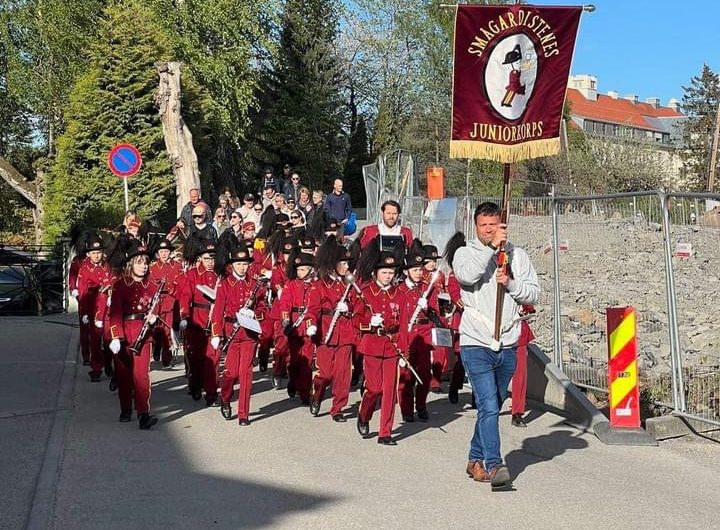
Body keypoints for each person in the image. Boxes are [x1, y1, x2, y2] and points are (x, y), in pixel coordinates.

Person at [454, 201, 539, 489]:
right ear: (476, 227)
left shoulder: (518, 255)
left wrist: (511, 283)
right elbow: (468, 276)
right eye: (483, 225)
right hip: (476, 342)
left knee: (494, 403)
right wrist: (492, 250)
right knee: (488, 404)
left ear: (502, 224)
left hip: (508, 342)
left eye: (493, 224)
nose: (489, 229)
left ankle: (474, 458)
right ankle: (494, 464)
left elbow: (533, 294)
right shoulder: (465, 253)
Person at [210, 246, 268, 426]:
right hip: (231, 332)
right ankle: (225, 397)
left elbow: (263, 308)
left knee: (246, 373)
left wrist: (255, 315)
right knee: (231, 373)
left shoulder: (255, 284)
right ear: (232, 265)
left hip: (249, 333)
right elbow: (217, 312)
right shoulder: (225, 284)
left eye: (245, 264)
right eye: (239, 264)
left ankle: (244, 413)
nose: (243, 267)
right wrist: (216, 333)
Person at [107, 239, 160, 429]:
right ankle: (125, 408)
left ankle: (143, 413)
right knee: (123, 374)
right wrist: (116, 336)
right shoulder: (121, 285)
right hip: (124, 332)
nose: (143, 266)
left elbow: (156, 306)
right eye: (139, 262)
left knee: (141, 375)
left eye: (145, 262)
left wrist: (154, 316)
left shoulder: (153, 285)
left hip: (144, 334)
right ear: (130, 264)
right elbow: (114, 313)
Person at [307, 240, 358, 422]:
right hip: (326, 331)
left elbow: (359, 306)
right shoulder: (319, 285)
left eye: (347, 263)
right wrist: (311, 324)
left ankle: (338, 408)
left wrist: (349, 308)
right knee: (325, 373)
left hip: (345, 332)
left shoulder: (350, 284)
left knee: (343, 374)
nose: (346, 267)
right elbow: (313, 309)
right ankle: (318, 393)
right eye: (342, 263)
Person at [355, 251, 402, 445]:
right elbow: (356, 320)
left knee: (389, 390)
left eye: (391, 272)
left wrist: (403, 348)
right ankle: (364, 416)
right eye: (384, 272)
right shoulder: (366, 292)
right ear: (375, 273)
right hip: (372, 344)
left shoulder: (399, 293)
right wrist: (369, 323)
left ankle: (385, 432)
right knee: (373, 389)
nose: (388, 276)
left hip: (391, 345)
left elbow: (403, 322)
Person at [397, 245, 440, 423]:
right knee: (406, 374)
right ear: (406, 271)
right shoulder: (399, 290)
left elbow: (436, 312)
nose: (418, 273)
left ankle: (421, 405)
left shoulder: (427, 288)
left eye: (420, 269)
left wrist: (428, 306)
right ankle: (406, 409)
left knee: (424, 374)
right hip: (407, 334)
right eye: (414, 270)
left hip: (423, 334)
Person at [178, 238, 219, 404]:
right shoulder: (192, 274)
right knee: (196, 356)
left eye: (213, 258)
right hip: (197, 318)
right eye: (207, 258)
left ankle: (210, 391)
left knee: (213, 357)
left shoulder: (220, 274)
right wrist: (184, 315)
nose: (210, 262)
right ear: (200, 258)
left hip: (214, 318)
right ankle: (195, 384)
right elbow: (185, 296)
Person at [276, 251, 319, 404]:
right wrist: (286, 321)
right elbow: (285, 303)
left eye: (303, 269)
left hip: (308, 325)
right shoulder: (291, 284)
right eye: (298, 269)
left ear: (311, 270)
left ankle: (305, 392)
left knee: (307, 360)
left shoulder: (316, 285)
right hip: (294, 324)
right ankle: (293, 381)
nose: (300, 272)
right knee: (293, 360)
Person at [76, 234, 112, 380]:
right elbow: (83, 292)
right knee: (95, 341)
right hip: (93, 309)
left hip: (108, 309)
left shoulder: (107, 266)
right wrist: (84, 312)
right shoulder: (84, 270)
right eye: (94, 253)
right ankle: (96, 369)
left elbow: (112, 282)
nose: (97, 255)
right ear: (88, 254)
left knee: (109, 339)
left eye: (98, 252)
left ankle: (109, 364)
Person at [149, 239, 183, 367]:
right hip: (157, 302)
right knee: (157, 330)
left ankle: (166, 357)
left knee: (168, 330)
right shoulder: (153, 267)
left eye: (166, 251)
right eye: (161, 251)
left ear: (170, 252)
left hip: (171, 301)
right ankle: (157, 346)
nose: (164, 254)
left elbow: (181, 283)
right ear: (158, 253)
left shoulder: (177, 266)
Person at [510, 304, 536, 427]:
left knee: (520, 377)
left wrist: (524, 309)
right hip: (500, 334)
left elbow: (529, 306)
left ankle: (517, 413)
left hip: (519, 338)